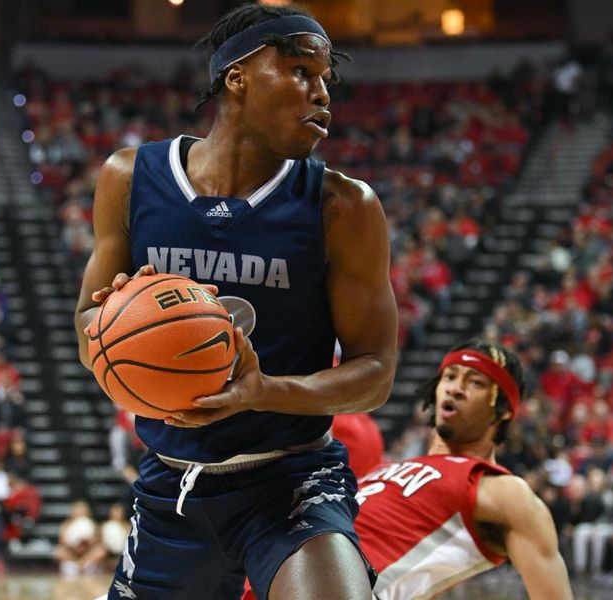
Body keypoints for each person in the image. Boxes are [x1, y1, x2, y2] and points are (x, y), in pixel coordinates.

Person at [74, 4, 397, 600]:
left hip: (291, 479)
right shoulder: (129, 176)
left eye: (326, 80)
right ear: (238, 76)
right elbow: (86, 327)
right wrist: (112, 323)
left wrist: (264, 391)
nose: (322, 94)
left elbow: (375, 376)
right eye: (301, 71)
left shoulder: (344, 206)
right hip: (172, 481)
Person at [354, 340, 573, 599]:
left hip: (338, 584)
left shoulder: (502, 490)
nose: (456, 389)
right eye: (450, 377)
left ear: (503, 409)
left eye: (476, 382)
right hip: (304, 564)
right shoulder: (387, 466)